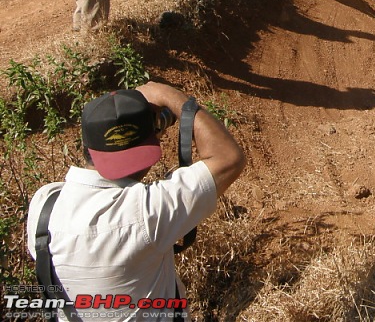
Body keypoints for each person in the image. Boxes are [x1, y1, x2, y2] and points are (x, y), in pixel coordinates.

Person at [27, 82, 246, 320]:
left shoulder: (44, 204)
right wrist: (169, 96)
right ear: (149, 149)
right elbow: (228, 157)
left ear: (85, 146)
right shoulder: (145, 212)